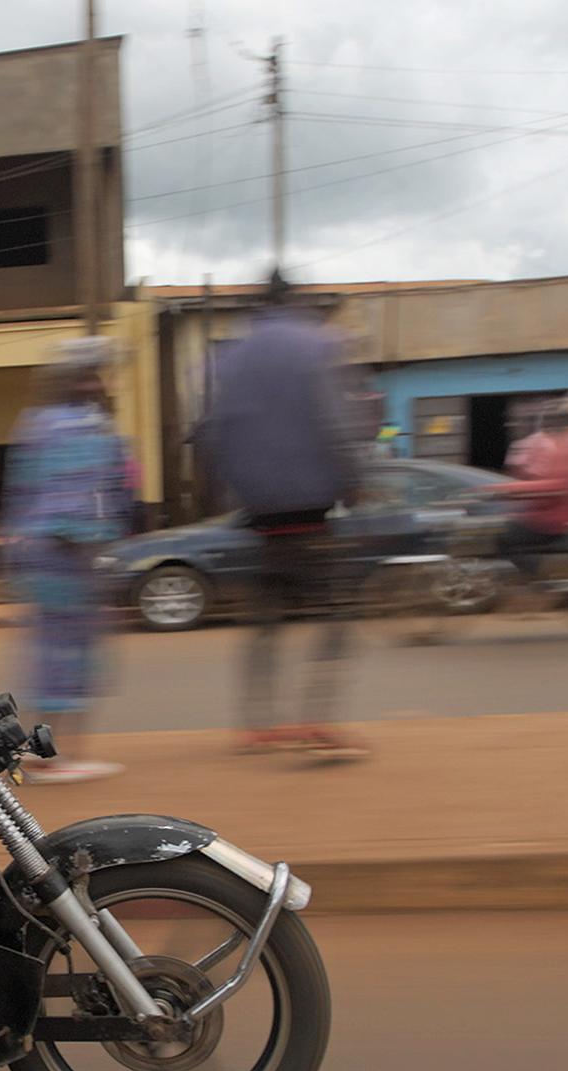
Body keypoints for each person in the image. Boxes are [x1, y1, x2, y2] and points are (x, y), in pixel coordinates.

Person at [197, 272, 367, 762]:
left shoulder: (231, 358)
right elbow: (335, 420)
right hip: (312, 511)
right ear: (296, 302)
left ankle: (258, 727)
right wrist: (354, 479)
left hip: (262, 515)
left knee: (266, 622)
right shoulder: (315, 345)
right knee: (337, 616)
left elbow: (213, 432)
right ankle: (316, 721)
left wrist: (235, 490)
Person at [1, 337, 133, 784]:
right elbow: (83, 500)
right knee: (69, 657)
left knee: (52, 654)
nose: (98, 382)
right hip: (68, 556)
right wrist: (101, 545)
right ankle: (56, 757)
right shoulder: (84, 426)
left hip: (38, 554)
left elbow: (23, 492)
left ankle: (51, 755)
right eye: (92, 373)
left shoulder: (35, 423)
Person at [498, 401, 568, 577]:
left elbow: (556, 485)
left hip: (553, 521)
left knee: (504, 538)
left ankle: (540, 574)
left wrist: (509, 489)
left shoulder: (560, 449)